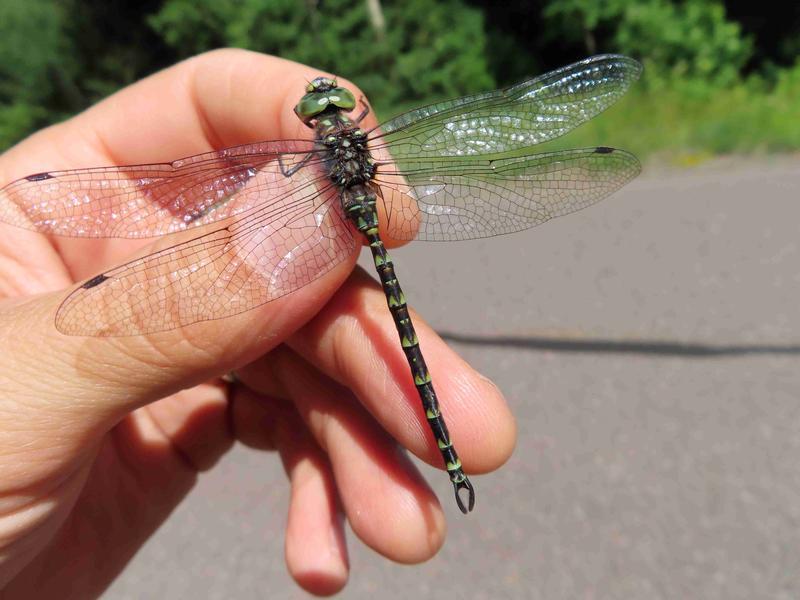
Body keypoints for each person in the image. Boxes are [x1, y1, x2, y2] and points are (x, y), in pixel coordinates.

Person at [0, 49, 515, 596]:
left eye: (325, 105)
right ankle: (450, 455)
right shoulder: (361, 139)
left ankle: (448, 453)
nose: (324, 107)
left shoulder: (305, 154)